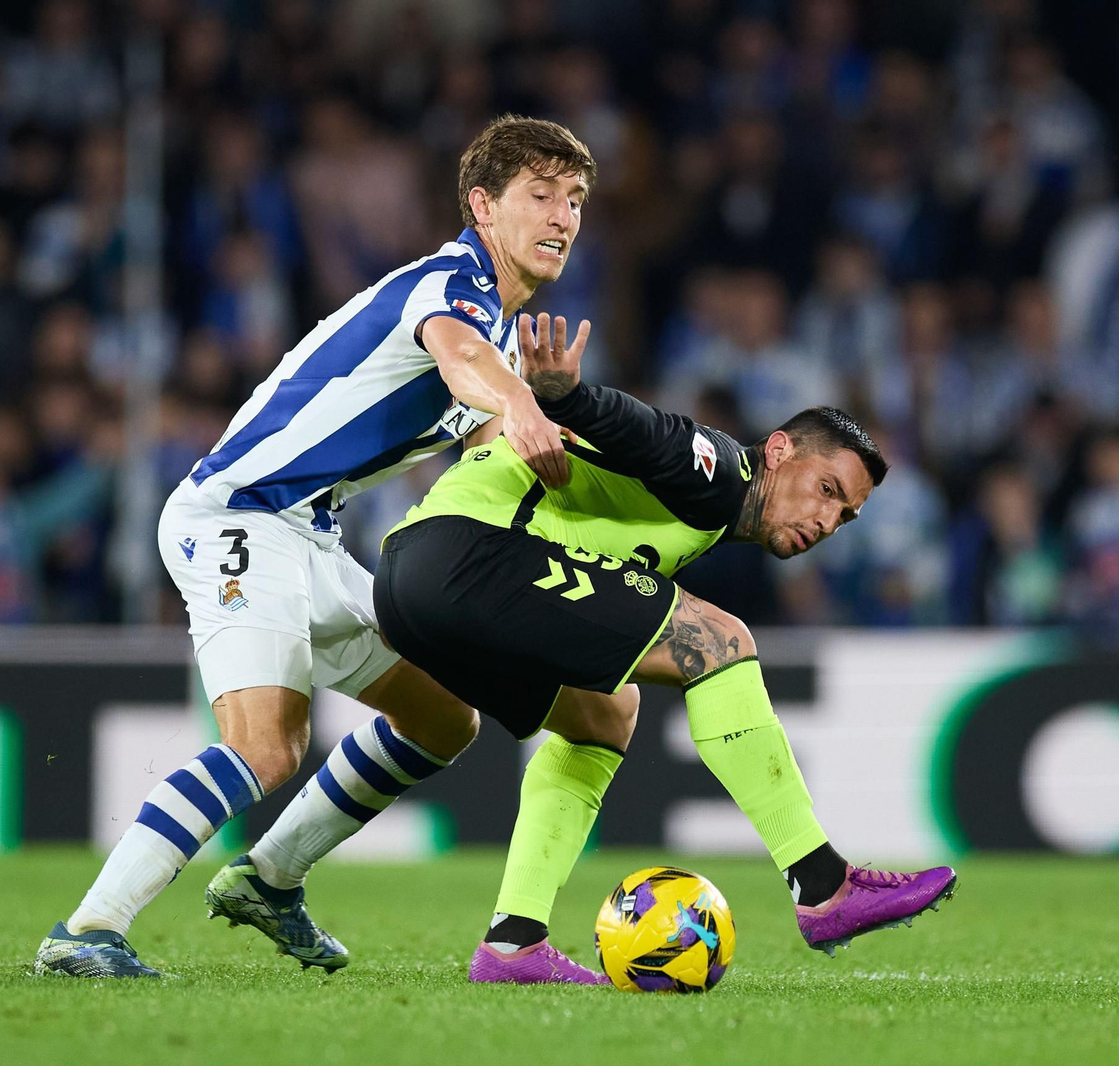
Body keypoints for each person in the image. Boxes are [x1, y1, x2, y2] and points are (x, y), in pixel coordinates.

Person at [33, 115, 622, 977]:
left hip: (308, 536)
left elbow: (474, 454)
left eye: (574, 199)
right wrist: (522, 405)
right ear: (482, 206)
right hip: (236, 515)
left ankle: (270, 879)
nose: (564, 216)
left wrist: (547, 431)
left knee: (440, 715)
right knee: (265, 745)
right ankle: (88, 930)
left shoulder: (501, 337)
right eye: (541, 195)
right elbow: (458, 357)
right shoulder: (451, 284)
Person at [372, 314, 957, 982]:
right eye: (826, 489)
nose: (826, 521)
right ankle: (823, 884)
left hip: (408, 586)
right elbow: (647, 432)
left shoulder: (711, 519)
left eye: (844, 514)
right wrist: (567, 397)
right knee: (717, 640)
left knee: (607, 713)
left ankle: (513, 942)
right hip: (468, 553)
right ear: (777, 452)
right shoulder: (721, 470)